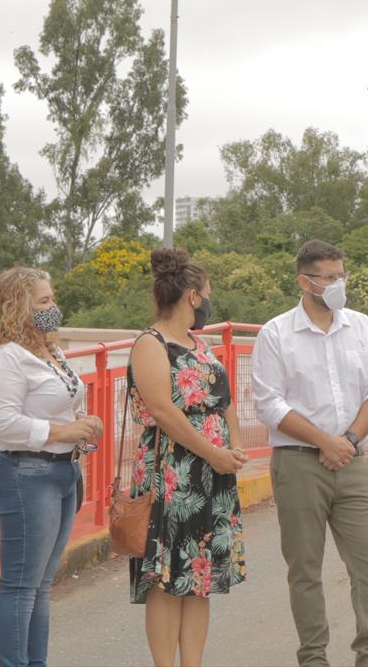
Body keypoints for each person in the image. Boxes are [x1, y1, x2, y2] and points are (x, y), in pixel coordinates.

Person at [251, 240, 368, 667]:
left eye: (341, 275)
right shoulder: (276, 333)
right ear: (305, 281)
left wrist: (346, 441)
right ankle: (313, 658)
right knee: (305, 569)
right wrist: (322, 441)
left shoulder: (361, 327)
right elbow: (270, 404)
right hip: (298, 465)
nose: (338, 284)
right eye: (329, 277)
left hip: (353, 461)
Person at [127, 248, 249, 667]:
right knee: (166, 578)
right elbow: (163, 411)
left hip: (211, 472)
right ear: (193, 296)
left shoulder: (200, 343)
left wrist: (232, 445)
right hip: (172, 473)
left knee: (199, 575)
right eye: (209, 292)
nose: (211, 300)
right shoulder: (150, 343)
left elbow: (223, 400)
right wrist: (214, 452)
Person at [0, 267, 102, 667]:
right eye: (44, 302)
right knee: (20, 586)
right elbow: (4, 424)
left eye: (52, 299)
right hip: (26, 475)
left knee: (41, 586)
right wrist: (63, 431)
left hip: (63, 473)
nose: (54, 308)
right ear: (18, 308)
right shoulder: (6, 357)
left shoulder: (48, 350)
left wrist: (81, 423)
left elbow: (57, 401)